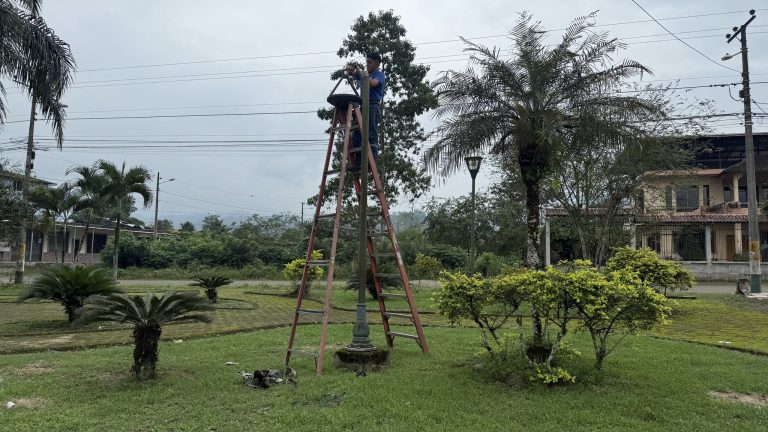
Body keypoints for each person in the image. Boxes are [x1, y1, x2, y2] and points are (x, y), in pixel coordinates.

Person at [346, 52, 385, 170]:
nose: (367, 64)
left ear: (377, 64)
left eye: (370, 62)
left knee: (371, 132)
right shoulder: (366, 74)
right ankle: (358, 163)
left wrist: (363, 74)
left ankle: (371, 160)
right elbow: (355, 74)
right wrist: (352, 71)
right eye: (366, 62)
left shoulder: (379, 75)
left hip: (373, 105)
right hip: (362, 106)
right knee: (357, 134)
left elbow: (374, 83)